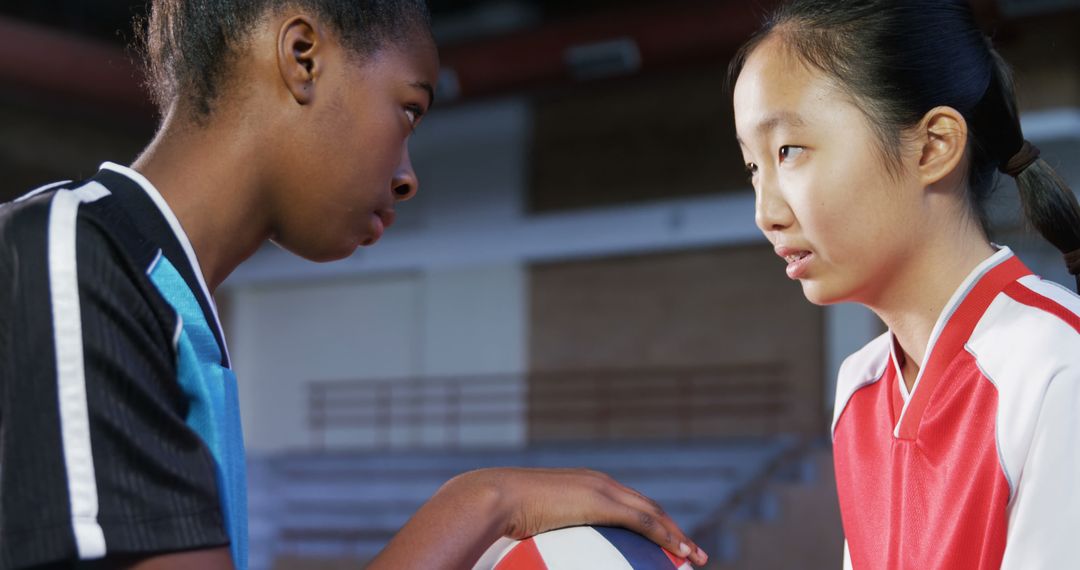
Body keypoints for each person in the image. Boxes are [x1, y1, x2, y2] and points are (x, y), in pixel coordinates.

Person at [0, 1, 711, 569]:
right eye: (408, 109)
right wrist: (482, 502)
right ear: (302, 56)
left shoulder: (161, 296)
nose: (408, 172)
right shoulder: (69, 255)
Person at [729, 1, 1080, 568]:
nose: (764, 213)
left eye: (788, 151)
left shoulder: (1058, 367)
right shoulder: (859, 386)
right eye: (753, 167)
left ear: (933, 145)